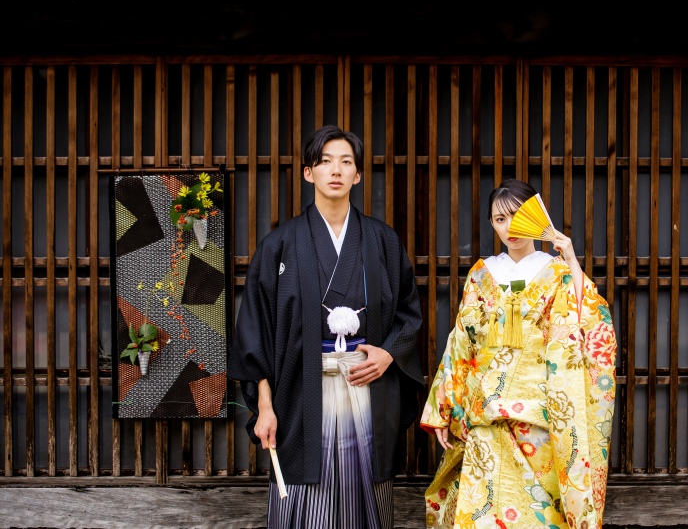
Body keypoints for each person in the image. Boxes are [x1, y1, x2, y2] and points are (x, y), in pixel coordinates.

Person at [228, 125, 424, 529]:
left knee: (366, 493)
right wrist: (264, 407)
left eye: (346, 162)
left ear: (357, 175)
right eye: (325, 161)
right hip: (301, 391)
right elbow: (255, 331)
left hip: (367, 383)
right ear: (308, 173)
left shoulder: (382, 241)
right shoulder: (280, 244)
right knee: (304, 498)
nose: (335, 170)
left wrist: (388, 353)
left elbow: (409, 313)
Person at [420, 179, 617, 529]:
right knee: (480, 512)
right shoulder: (482, 274)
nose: (509, 227)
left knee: (536, 513)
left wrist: (571, 260)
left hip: (538, 411)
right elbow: (461, 342)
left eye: (517, 216)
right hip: (484, 409)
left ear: (536, 217)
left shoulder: (557, 273)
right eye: (499, 219)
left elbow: (587, 323)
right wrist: (445, 406)